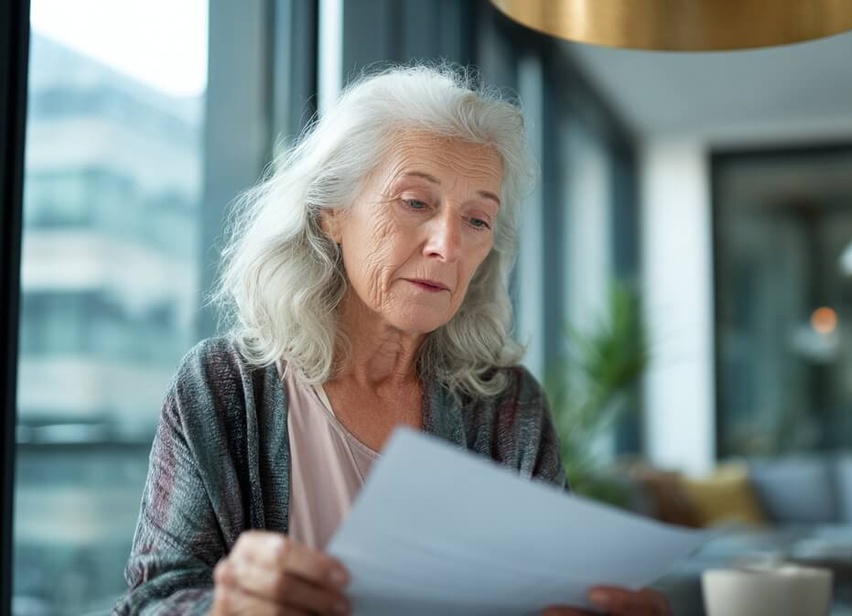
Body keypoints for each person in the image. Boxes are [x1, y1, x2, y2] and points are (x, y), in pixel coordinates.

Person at [114, 64, 671, 616]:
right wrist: (221, 610)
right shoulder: (223, 388)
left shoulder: (508, 404)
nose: (447, 247)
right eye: (416, 202)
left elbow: (555, 589)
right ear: (333, 211)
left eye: (477, 220)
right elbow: (149, 601)